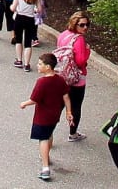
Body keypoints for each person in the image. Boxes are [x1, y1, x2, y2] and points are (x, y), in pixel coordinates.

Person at [19, 50, 74, 182]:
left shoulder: (42, 82)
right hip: (55, 114)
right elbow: (66, 97)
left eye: (40, 64)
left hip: (42, 116)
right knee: (49, 134)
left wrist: (24, 104)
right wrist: (68, 112)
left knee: (43, 139)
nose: (37, 66)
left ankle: (45, 167)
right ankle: (47, 156)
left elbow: (35, 99)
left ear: (47, 67)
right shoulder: (60, 79)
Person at [56, 10, 93, 140]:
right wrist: (87, 51)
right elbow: (81, 61)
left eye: (87, 24)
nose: (85, 27)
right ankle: (73, 133)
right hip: (77, 78)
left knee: (60, 104)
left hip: (62, 76)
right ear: (74, 24)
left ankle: (49, 130)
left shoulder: (63, 35)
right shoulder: (79, 39)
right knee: (76, 106)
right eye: (82, 25)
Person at [10, 0, 45, 71]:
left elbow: (13, 8)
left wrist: (13, 7)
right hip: (30, 19)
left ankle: (19, 60)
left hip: (19, 18)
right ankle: (27, 64)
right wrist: (34, 10)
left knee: (18, 40)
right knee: (28, 43)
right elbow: (40, 10)